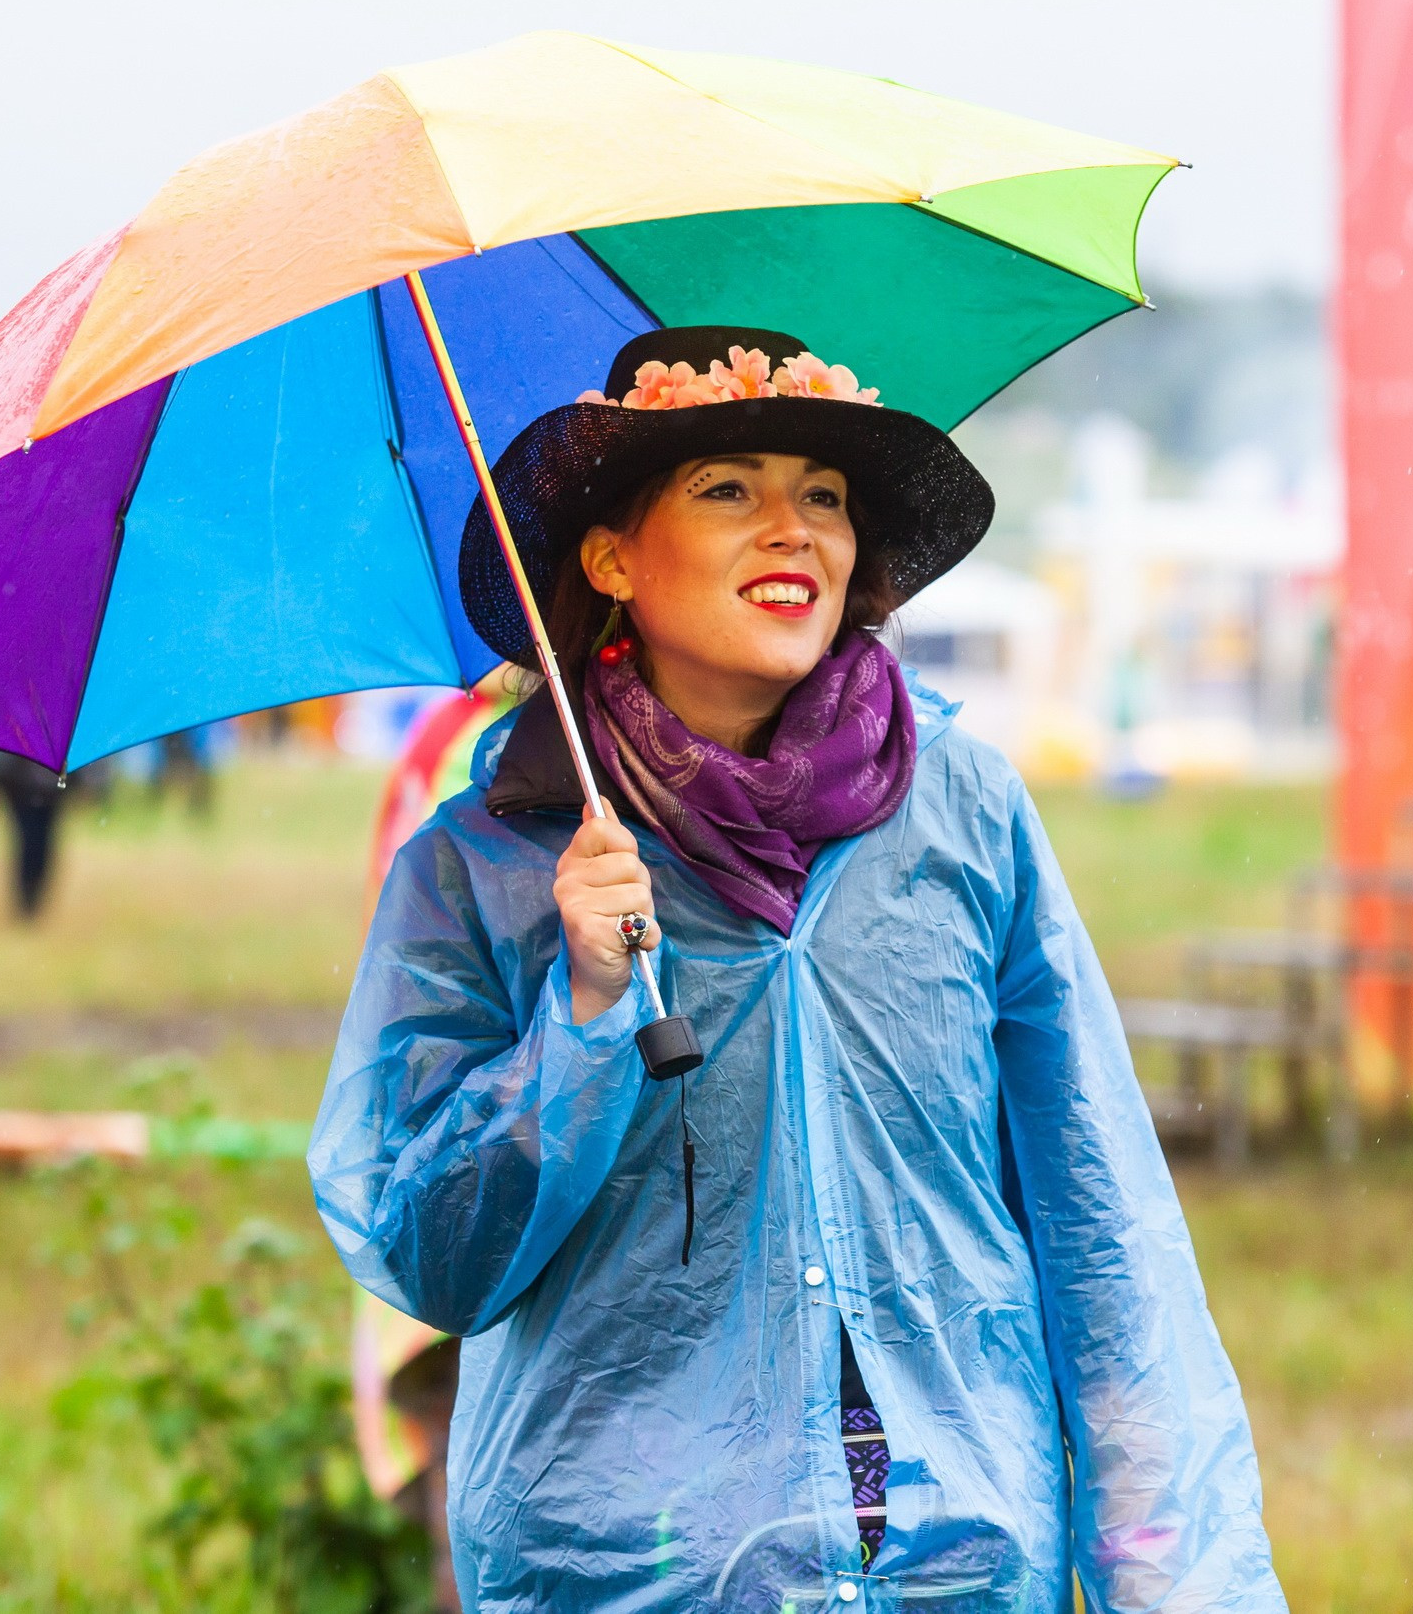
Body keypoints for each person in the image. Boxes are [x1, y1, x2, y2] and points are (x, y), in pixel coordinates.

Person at [311, 328, 1285, 1610]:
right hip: (629, 1566)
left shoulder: (966, 809)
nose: (794, 530)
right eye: (729, 489)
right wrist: (584, 1013)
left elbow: (1098, 1214)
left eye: (821, 496)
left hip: (955, 1556)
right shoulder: (483, 867)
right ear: (610, 556)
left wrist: (1173, 1576)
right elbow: (429, 1252)